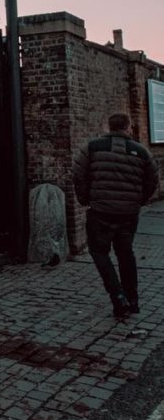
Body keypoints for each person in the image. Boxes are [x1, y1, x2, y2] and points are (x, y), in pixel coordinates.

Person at [73, 111, 158, 319]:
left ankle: (118, 297)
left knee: (99, 252)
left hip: (100, 211)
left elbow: (78, 174)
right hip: (128, 213)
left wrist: (85, 199)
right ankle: (133, 300)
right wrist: (139, 201)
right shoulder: (142, 152)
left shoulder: (92, 148)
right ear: (128, 127)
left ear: (108, 126)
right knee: (125, 253)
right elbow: (152, 180)